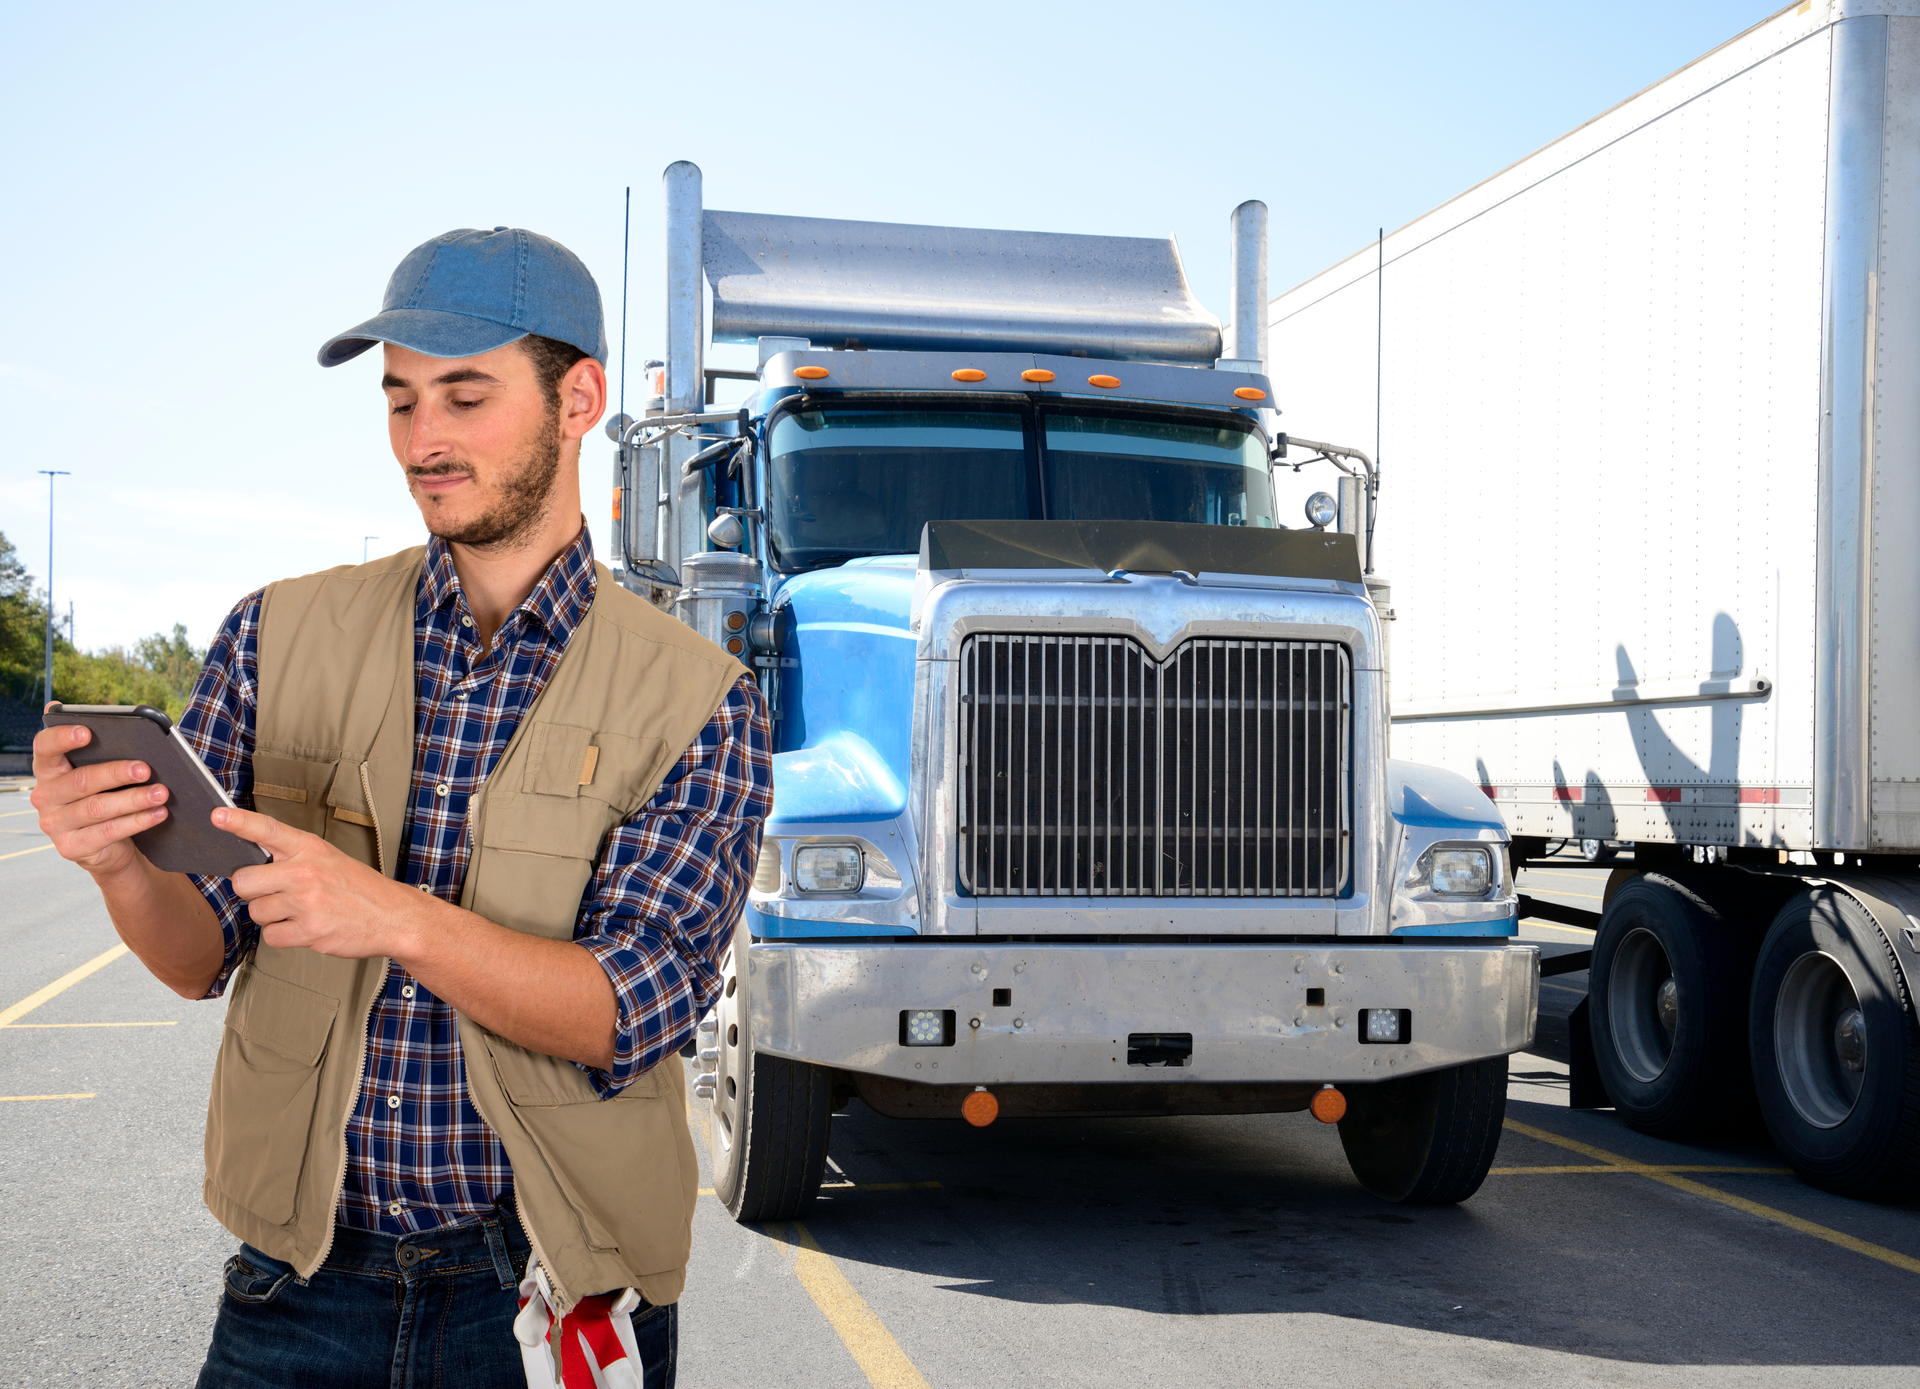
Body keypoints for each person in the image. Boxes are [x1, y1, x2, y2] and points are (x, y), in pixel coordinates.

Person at [30, 227, 771, 1388]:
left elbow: (639, 1004)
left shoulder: (697, 700)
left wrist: (389, 916)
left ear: (579, 399)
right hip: (298, 1286)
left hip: (549, 1292)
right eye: (400, 401)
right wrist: (120, 866)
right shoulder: (274, 635)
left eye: (466, 397)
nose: (422, 440)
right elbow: (195, 956)